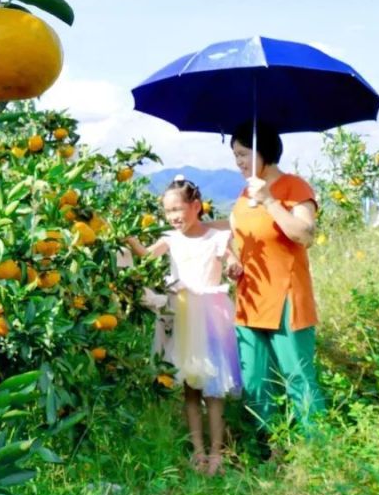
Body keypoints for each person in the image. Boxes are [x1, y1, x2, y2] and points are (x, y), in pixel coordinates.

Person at [126, 176, 242, 475]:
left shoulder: (216, 238)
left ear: (196, 206)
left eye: (178, 209)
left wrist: (233, 267)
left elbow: (231, 261)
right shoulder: (170, 238)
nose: (174, 217)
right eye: (168, 212)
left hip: (210, 317)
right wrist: (129, 241)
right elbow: (146, 256)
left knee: (213, 389)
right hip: (180, 315)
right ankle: (198, 452)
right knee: (190, 388)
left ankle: (217, 452)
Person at [229, 120, 325, 440]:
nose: (239, 162)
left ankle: (319, 450)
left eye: (243, 153)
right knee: (255, 380)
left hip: (286, 296)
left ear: (264, 151)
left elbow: (305, 234)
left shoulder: (294, 187)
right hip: (250, 298)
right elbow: (238, 238)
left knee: (297, 376)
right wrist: (232, 261)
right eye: (235, 156)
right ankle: (271, 449)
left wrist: (270, 200)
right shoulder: (245, 194)